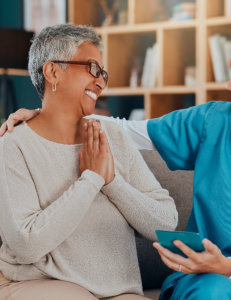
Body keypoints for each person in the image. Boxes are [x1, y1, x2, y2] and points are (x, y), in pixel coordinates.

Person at [1, 25, 231, 299]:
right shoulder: (213, 121)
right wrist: (46, 115)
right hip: (202, 273)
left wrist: (228, 266)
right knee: (212, 292)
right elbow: (132, 131)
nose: (230, 86)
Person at [0, 24, 178, 300]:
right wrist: (91, 179)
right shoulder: (15, 143)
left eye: (103, 73)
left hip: (118, 290)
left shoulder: (114, 137)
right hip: (42, 283)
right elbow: (26, 244)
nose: (101, 81)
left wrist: (111, 181)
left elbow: (167, 223)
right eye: (92, 68)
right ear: (52, 72)